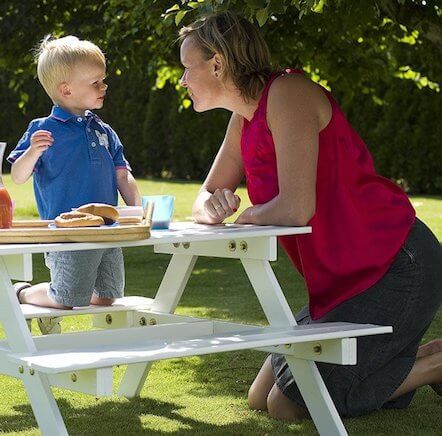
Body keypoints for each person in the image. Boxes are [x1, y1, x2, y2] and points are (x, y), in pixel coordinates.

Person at [178, 12, 442, 419]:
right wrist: (211, 209)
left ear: (217, 64)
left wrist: (246, 216)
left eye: (186, 68)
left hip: (395, 265)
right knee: (259, 396)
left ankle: (433, 366)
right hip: (343, 281)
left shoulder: (288, 93)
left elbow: (296, 206)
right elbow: (206, 194)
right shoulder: (243, 119)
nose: (182, 80)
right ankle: (427, 356)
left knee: (286, 405)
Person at [8, 35, 141, 333]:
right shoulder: (42, 129)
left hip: (107, 229)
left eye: (103, 80)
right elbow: (18, 175)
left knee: (107, 297)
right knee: (67, 298)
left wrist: (138, 209)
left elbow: (123, 175)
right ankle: (22, 293)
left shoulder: (105, 131)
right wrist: (32, 152)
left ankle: (50, 300)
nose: (104, 87)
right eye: (96, 82)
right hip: (65, 232)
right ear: (66, 90)